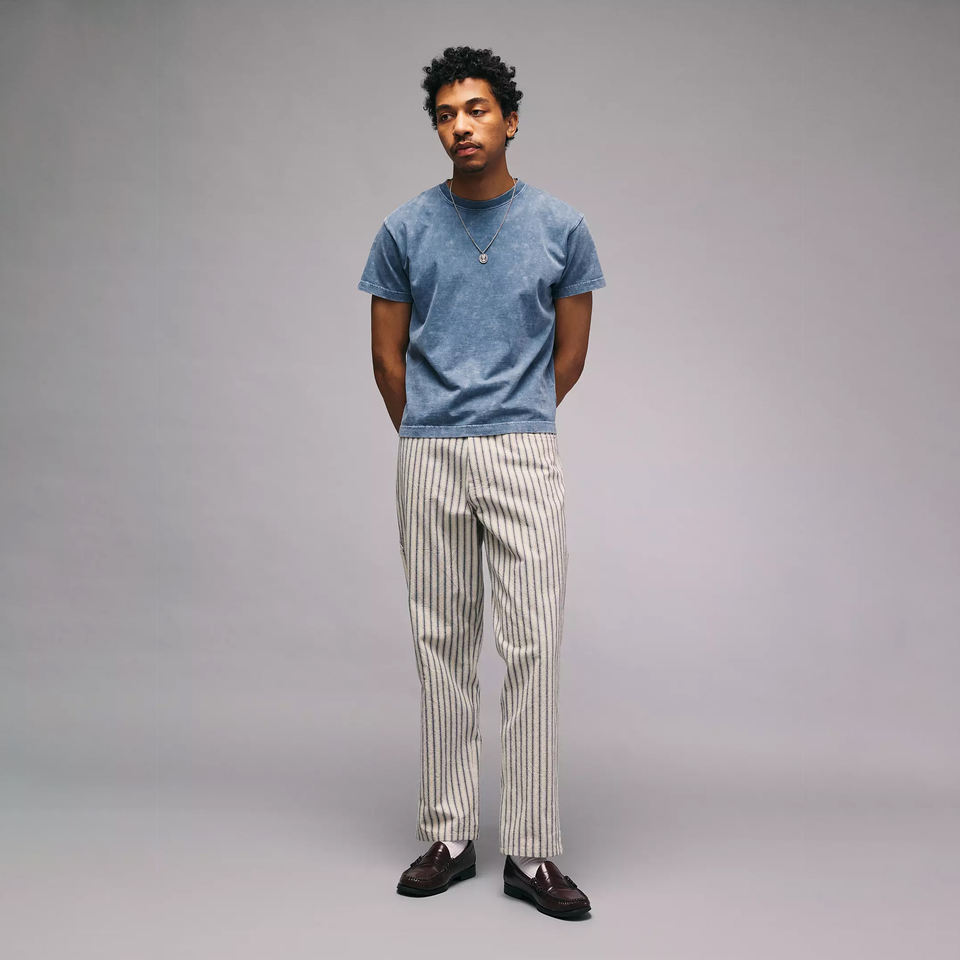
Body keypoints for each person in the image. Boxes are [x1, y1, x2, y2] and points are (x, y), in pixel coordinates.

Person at [357, 45, 605, 920]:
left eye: (475, 110)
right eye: (444, 115)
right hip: (429, 453)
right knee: (443, 643)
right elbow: (386, 358)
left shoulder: (562, 227)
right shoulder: (404, 229)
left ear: (510, 120)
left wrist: (513, 419)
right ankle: (450, 836)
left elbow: (570, 355)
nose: (459, 126)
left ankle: (531, 852)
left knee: (534, 643)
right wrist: (431, 429)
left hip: (523, 452)